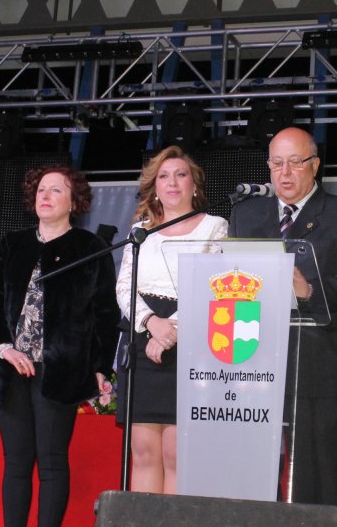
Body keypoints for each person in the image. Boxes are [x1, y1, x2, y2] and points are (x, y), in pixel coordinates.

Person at [227, 127, 337, 506]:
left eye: (295, 162)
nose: (285, 172)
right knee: (252, 469)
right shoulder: (246, 214)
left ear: (315, 165)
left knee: (314, 469)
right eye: (276, 163)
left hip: (314, 359)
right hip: (251, 359)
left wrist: (308, 289)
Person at [0, 166, 121, 527]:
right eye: (42, 189)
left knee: (52, 461)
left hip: (60, 372)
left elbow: (106, 314)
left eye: (57, 190)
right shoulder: (13, 243)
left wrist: (101, 366)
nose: (46, 196)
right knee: (16, 463)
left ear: (74, 202)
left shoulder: (90, 248)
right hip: (9, 368)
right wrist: (3, 349)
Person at [114, 145, 228, 494]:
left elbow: (214, 286)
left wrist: (171, 330)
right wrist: (151, 324)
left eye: (181, 174)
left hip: (192, 344)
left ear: (195, 184)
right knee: (144, 452)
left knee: (177, 453)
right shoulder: (140, 231)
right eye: (164, 176)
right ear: (154, 186)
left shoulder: (215, 226)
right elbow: (124, 287)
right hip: (142, 341)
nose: (173, 182)